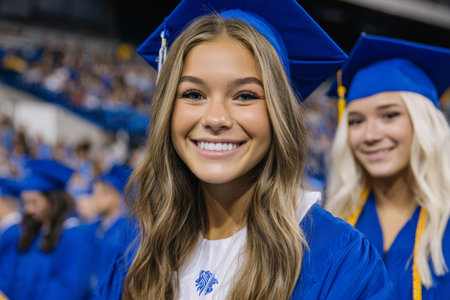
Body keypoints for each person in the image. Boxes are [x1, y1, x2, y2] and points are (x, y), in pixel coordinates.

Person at [98, 1, 392, 299]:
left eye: (245, 96)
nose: (215, 118)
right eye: (193, 94)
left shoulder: (337, 258)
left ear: (279, 115)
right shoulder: (139, 250)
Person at [325, 34, 450, 299]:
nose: (370, 135)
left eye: (389, 115)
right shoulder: (333, 221)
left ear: (424, 123)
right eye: (356, 121)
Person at [1, 159, 90, 300]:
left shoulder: (74, 236)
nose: (28, 209)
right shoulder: (35, 230)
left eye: (34, 202)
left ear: (53, 200)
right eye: (26, 202)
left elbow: (67, 288)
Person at [85, 164, 134, 298]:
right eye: (94, 192)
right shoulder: (95, 227)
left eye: (103, 193)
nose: (95, 198)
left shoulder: (126, 229)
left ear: (117, 196)